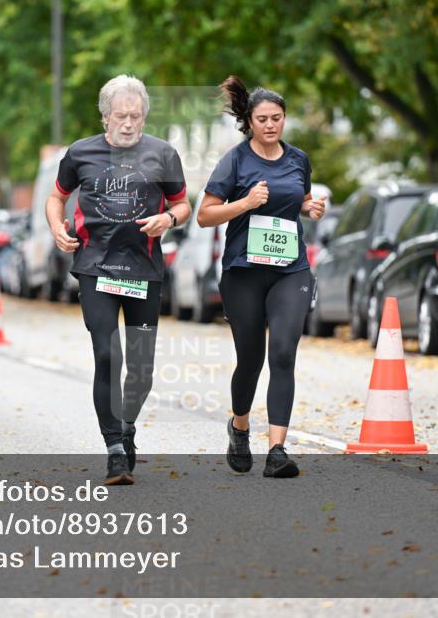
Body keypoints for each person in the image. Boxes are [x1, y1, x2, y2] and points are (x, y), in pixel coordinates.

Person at [47, 75, 191, 485]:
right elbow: (56, 196)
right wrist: (57, 227)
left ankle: (127, 427)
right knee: (109, 355)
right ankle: (114, 449)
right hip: (96, 268)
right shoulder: (81, 153)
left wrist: (168, 218)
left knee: (141, 368)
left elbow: (183, 204)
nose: (128, 123)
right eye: (121, 116)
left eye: (136, 116)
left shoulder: (163, 154)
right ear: (105, 117)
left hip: (144, 271)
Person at [197, 76, 326, 479]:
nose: (270, 125)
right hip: (244, 272)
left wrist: (310, 207)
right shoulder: (235, 161)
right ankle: (239, 426)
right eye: (262, 119)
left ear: (284, 120)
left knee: (283, 353)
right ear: (250, 122)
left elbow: (296, 201)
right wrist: (245, 203)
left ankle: (277, 450)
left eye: (277, 118)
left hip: (290, 269)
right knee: (250, 359)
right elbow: (204, 215)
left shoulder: (298, 159)